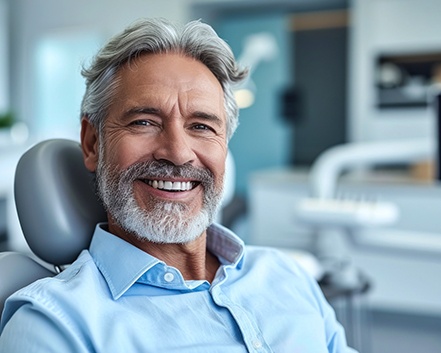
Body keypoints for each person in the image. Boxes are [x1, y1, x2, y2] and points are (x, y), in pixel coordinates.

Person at [0, 18, 357, 352]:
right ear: (93, 143)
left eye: (201, 126)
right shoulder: (56, 327)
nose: (178, 153)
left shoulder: (286, 276)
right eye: (144, 122)